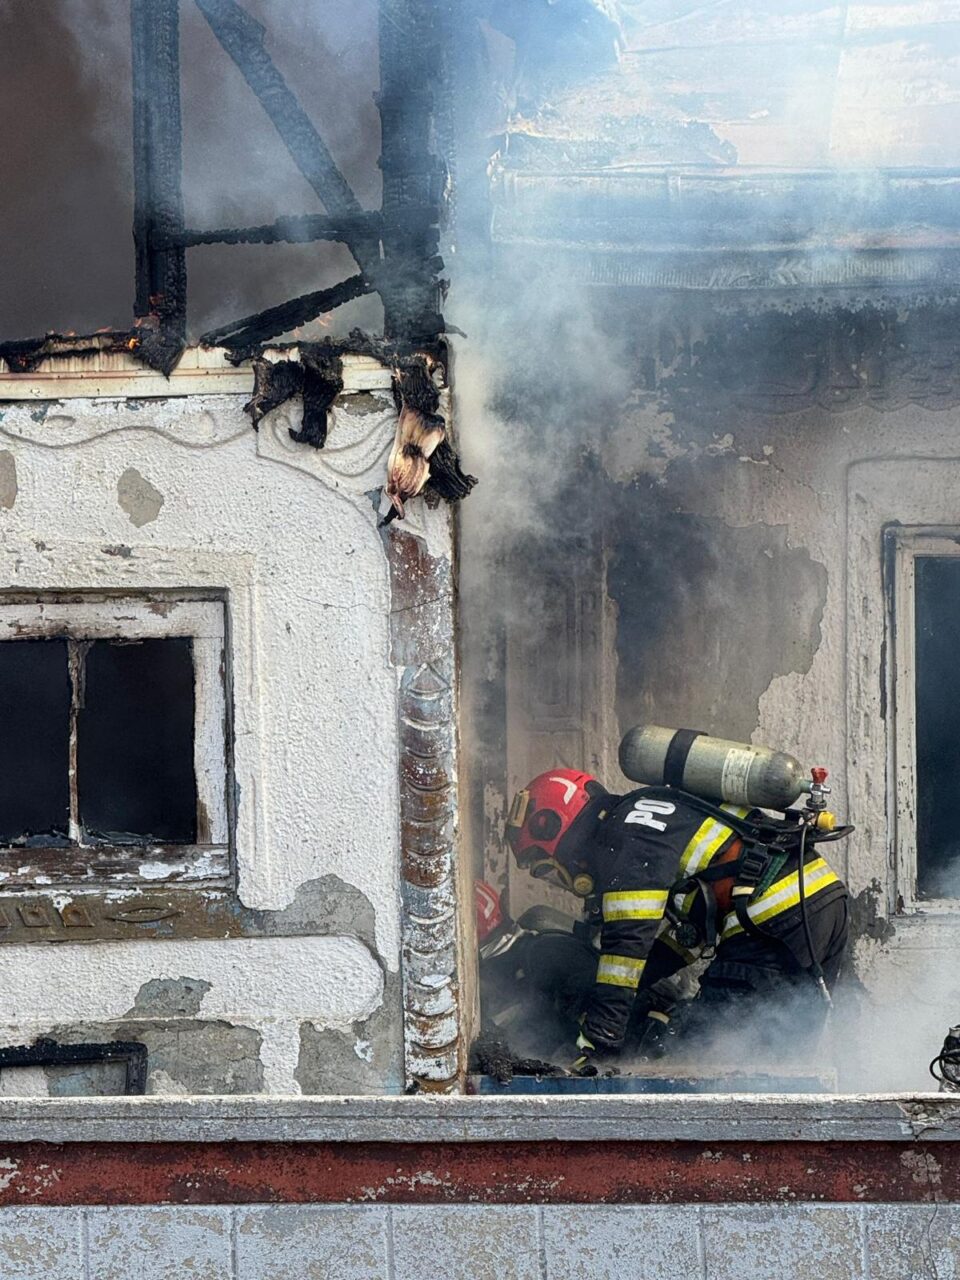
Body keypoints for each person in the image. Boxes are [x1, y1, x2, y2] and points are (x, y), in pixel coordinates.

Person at [504, 769, 850, 1075]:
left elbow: (626, 948)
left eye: (548, 868)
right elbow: (690, 934)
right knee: (781, 1059)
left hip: (771, 918)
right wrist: (640, 983)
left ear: (558, 829)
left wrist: (598, 1040)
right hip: (821, 899)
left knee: (705, 1060)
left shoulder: (620, 841)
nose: (561, 880)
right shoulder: (649, 812)